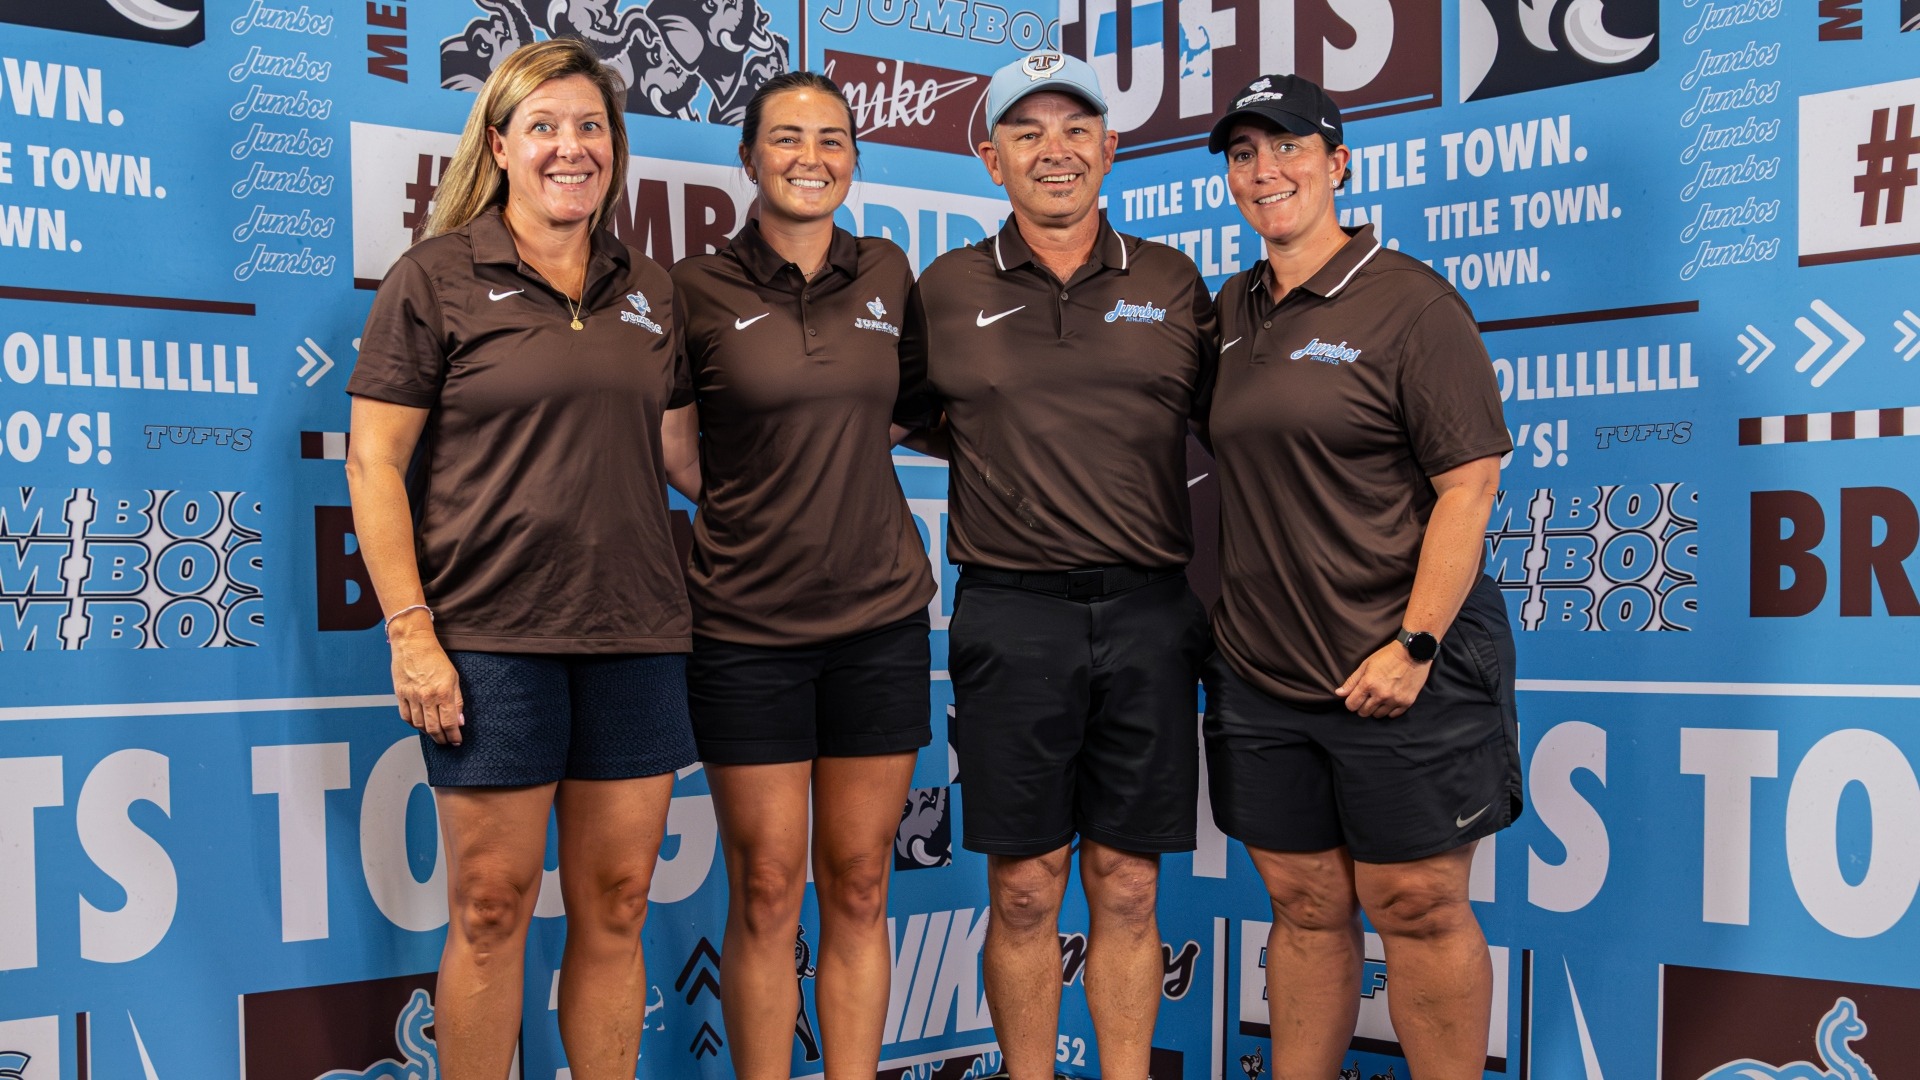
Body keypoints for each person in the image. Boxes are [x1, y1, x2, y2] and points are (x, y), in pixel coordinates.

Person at [344, 37, 696, 1080]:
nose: (569, 147)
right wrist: (413, 634)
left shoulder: (653, 290)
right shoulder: (437, 278)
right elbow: (374, 463)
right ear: (499, 145)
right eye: (543, 126)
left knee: (618, 907)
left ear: (616, 149)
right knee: (492, 910)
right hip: (490, 642)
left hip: (636, 635)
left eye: (590, 126)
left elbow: (682, 458)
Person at [897, 52, 1216, 1080]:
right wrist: (1013, 457)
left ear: (1111, 147)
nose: (1054, 150)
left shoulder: (1173, 282)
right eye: (1026, 132)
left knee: (1128, 886)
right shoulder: (944, 285)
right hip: (1011, 613)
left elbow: (1228, 429)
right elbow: (916, 416)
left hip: (1150, 614)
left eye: (1076, 128)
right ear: (989, 159)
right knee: (1025, 889)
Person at [1200, 74, 1521, 1080]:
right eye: (1245, 155)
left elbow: (1470, 486)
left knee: (1418, 907)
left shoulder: (1410, 302)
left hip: (1400, 662)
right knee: (1301, 907)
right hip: (1264, 670)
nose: (1267, 171)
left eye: (1289, 147)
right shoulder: (1230, 310)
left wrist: (1416, 644)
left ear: (1337, 163)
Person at [661, 72, 936, 1080]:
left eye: (832, 137)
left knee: (861, 882)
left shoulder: (890, 273)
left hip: (877, 621)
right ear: (748, 157)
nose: (811, 156)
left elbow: (905, 411)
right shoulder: (692, 289)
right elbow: (679, 449)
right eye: (786, 137)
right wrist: (759, 503)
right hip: (743, 626)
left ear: (855, 157)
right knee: (769, 886)